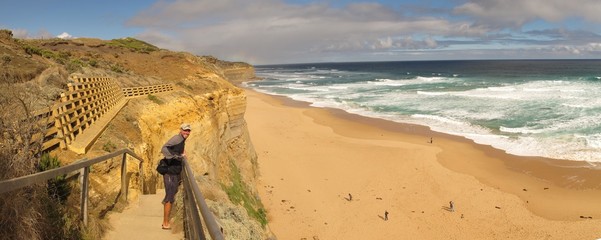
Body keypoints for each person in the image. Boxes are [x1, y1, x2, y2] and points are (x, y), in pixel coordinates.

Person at [160, 123, 191, 230]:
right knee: (169, 197)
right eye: (185, 130)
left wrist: (183, 153)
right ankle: (165, 223)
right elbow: (164, 148)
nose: (187, 132)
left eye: (188, 131)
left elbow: (179, 148)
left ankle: (167, 219)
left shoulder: (182, 139)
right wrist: (176, 156)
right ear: (180, 130)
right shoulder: (177, 138)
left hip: (174, 172)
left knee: (172, 195)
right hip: (169, 172)